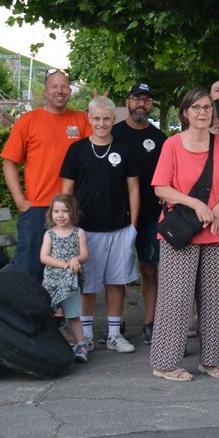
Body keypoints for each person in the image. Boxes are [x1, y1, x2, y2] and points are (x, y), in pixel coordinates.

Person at [149, 87, 219, 382]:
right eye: (196, 107)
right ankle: (165, 363)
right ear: (185, 112)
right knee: (176, 298)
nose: (202, 112)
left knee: (213, 298)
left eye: (206, 108)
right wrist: (196, 204)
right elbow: (161, 188)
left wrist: (217, 210)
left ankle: (210, 360)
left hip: (216, 228)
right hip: (182, 230)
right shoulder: (172, 145)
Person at [57, 95, 140, 353]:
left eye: (106, 118)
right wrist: (67, 226)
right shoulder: (77, 150)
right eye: (96, 118)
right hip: (86, 229)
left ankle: (114, 334)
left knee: (116, 281)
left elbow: (134, 189)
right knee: (87, 284)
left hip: (119, 227)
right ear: (89, 119)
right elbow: (67, 191)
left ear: (113, 119)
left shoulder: (125, 149)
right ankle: (86, 335)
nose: (101, 123)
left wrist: (133, 225)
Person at [1, 69, 91, 283]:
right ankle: (25, 305)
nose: (60, 91)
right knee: (29, 270)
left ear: (70, 91)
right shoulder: (28, 121)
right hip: (37, 208)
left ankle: (60, 306)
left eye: (64, 87)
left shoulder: (81, 120)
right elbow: (9, 163)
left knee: (67, 273)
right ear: (45, 91)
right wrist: (20, 200)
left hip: (70, 208)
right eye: (54, 86)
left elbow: (97, 153)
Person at [113, 82, 165, 342]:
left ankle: (150, 323)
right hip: (116, 216)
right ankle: (115, 322)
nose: (141, 103)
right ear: (127, 102)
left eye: (146, 99)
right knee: (116, 273)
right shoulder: (113, 133)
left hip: (151, 216)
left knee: (150, 270)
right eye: (137, 98)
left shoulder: (160, 138)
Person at [38, 194, 91, 362]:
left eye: (65, 211)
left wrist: (76, 259)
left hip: (71, 281)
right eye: (56, 211)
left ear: (73, 212)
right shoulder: (49, 234)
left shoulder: (79, 233)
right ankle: (53, 344)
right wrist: (63, 264)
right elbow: (44, 257)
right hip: (52, 281)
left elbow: (84, 255)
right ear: (51, 213)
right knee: (51, 313)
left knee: (73, 314)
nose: (60, 215)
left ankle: (81, 344)